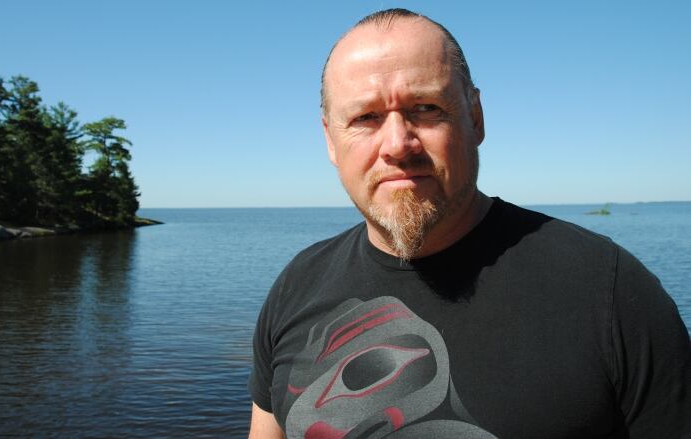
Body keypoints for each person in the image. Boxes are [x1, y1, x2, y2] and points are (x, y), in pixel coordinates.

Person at [248, 8, 691, 439]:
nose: (398, 144)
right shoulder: (296, 287)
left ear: (475, 117)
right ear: (330, 139)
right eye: (366, 117)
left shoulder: (610, 293)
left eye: (425, 107)